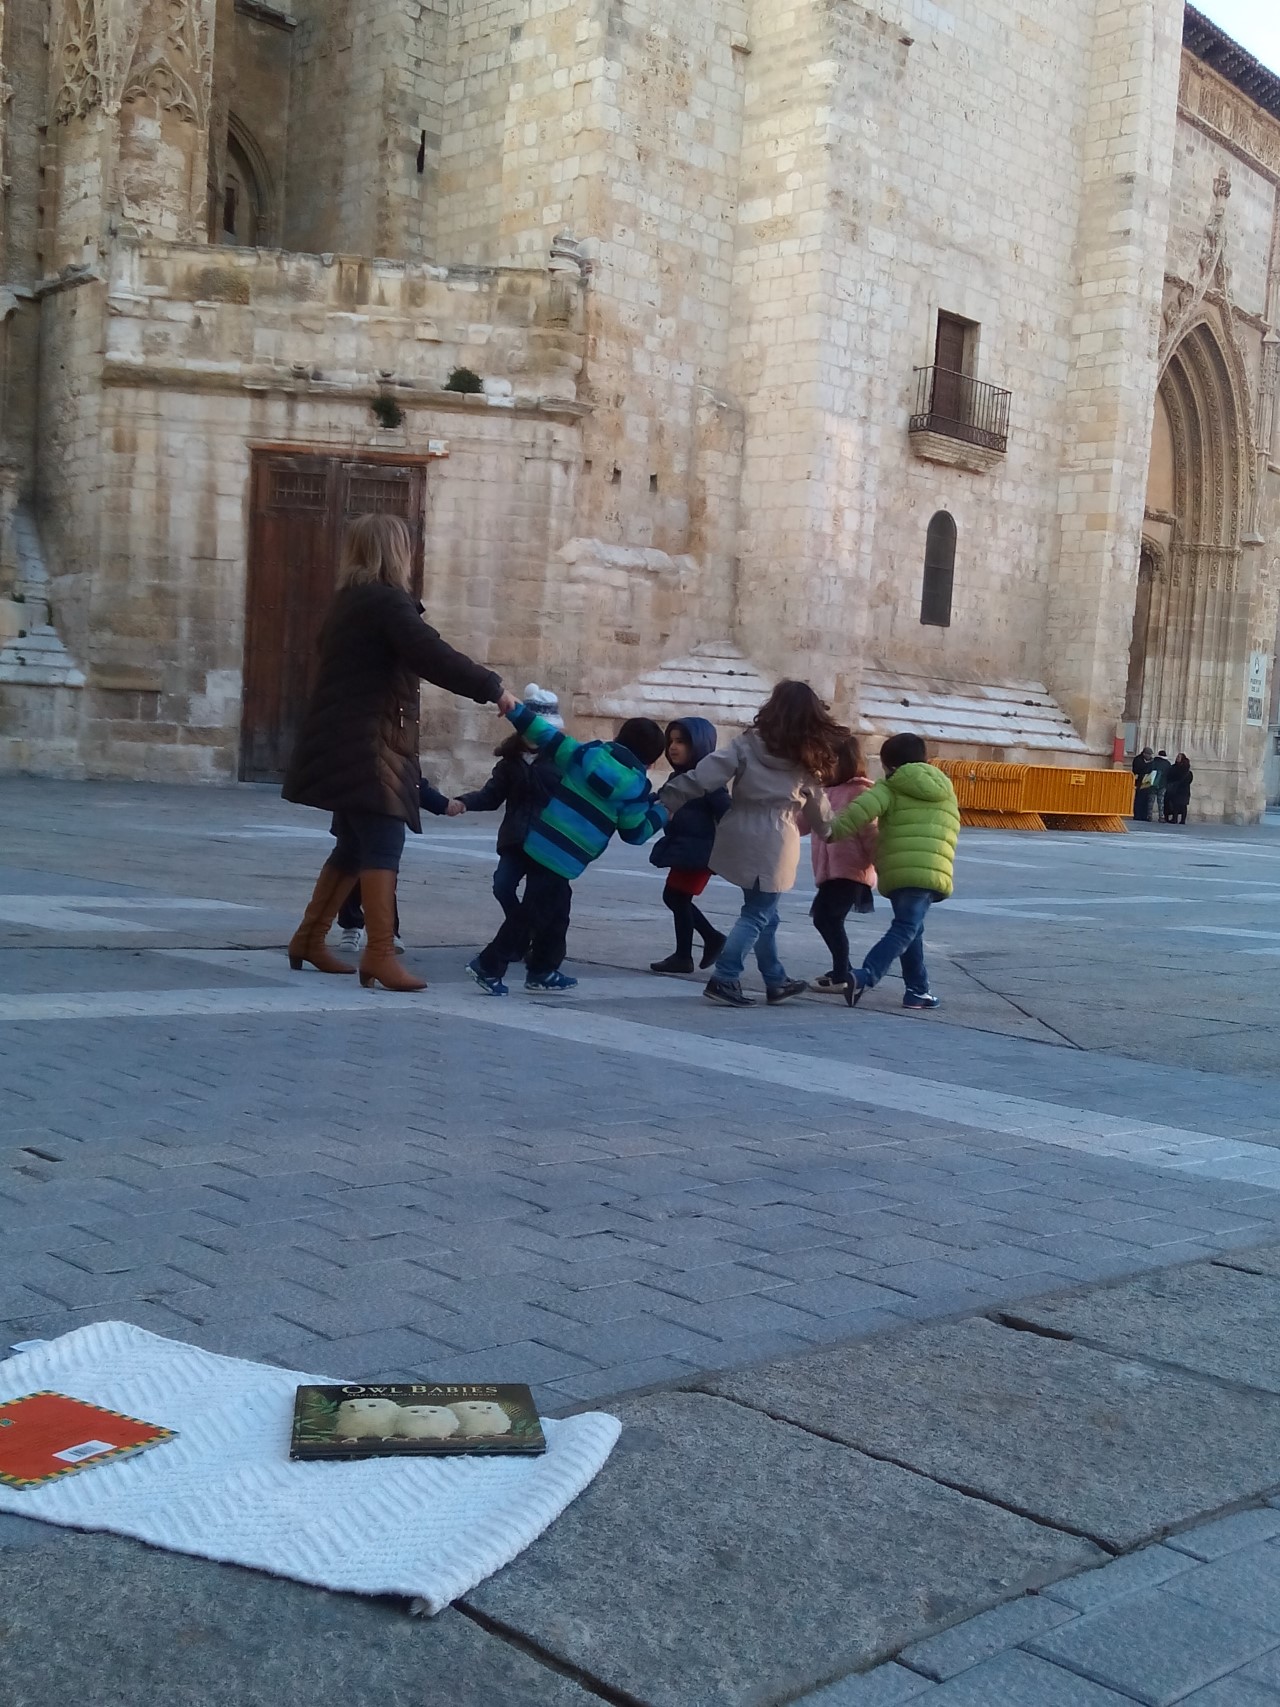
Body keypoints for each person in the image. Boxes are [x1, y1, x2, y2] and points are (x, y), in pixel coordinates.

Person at [282, 513, 510, 992]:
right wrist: (493, 689)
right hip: (369, 745)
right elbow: (431, 654)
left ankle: (309, 938)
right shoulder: (386, 602)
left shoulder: (349, 602)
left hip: (344, 741)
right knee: (384, 842)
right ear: (397, 552)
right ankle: (380, 954)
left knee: (351, 844)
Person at [659, 680, 845, 1009]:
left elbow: (705, 775)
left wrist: (668, 798)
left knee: (764, 913)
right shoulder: (807, 757)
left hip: (738, 829)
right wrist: (832, 832)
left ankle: (775, 979)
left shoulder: (747, 743)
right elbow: (820, 813)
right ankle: (726, 977)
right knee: (758, 914)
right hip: (775, 838)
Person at [466, 700, 668, 995]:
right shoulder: (636, 789)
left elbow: (545, 734)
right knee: (530, 915)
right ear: (649, 762)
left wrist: (513, 709)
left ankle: (543, 969)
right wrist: (663, 812)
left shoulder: (584, 754)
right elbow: (635, 832)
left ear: (617, 739)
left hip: (540, 841)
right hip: (566, 858)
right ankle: (489, 965)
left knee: (557, 910)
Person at [828, 731, 959, 1011]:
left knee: (910, 929)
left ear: (889, 766)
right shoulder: (945, 787)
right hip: (931, 870)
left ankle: (917, 990)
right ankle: (866, 976)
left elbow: (858, 812)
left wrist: (832, 831)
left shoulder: (889, 787)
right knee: (908, 928)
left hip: (898, 872)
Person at [456, 684, 563, 951]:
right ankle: (520, 932)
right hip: (515, 838)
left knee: (538, 897)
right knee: (502, 886)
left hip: (547, 842)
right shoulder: (510, 761)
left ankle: (532, 944)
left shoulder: (562, 761)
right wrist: (463, 802)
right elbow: (492, 796)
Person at [336, 777, 461, 954]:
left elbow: (407, 775)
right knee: (350, 868)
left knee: (382, 873)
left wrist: (441, 803)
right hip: (356, 802)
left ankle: (386, 933)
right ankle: (353, 924)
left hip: (388, 810)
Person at [648, 718, 729, 975]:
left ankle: (688, 953)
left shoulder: (709, 780)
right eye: (671, 741)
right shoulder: (678, 777)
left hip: (700, 851)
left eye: (681, 742)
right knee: (676, 897)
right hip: (686, 848)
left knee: (676, 897)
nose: (673, 747)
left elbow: (726, 811)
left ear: (699, 744)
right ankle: (707, 941)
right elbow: (662, 798)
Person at [809, 734, 877, 992]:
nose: (823, 766)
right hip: (829, 872)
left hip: (850, 870)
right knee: (824, 919)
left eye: (829, 761)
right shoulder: (825, 791)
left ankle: (841, 975)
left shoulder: (860, 792)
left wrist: (878, 861)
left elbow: (870, 831)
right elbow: (805, 823)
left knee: (830, 919)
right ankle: (844, 969)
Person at [1163, 753, 1193, 824]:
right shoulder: (1174, 767)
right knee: (1175, 804)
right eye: (1177, 757)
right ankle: (1174, 818)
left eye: (1179, 757)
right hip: (1176, 789)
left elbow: (1189, 779)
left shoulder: (1185, 769)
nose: (1177, 758)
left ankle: (1182, 820)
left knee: (1183, 805)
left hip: (1183, 789)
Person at [1131, 746, 1155, 822]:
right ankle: (1137, 815)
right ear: (1144, 754)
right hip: (1139, 780)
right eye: (1149, 754)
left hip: (1147, 780)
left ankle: (1144, 815)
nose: (1150, 756)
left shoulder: (1151, 761)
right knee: (1139, 798)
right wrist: (1147, 766)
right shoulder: (1138, 759)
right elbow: (1136, 769)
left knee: (1146, 798)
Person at [1149, 749, 1173, 821]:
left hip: (1153, 783)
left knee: (1151, 801)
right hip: (1163, 784)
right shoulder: (1167, 764)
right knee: (1161, 801)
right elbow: (1169, 774)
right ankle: (1161, 816)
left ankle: (1149, 815)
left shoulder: (1153, 762)